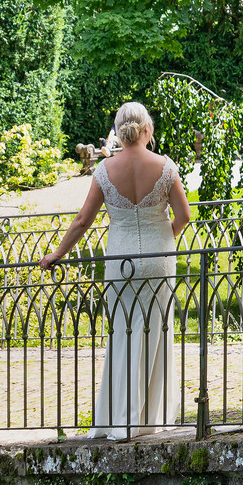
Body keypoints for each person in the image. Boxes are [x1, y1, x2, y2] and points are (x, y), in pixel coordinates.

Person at [39, 102, 190, 438]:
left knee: (123, 334)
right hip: (158, 260)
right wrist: (164, 237)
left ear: (120, 132)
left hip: (120, 263)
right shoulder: (166, 167)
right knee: (157, 332)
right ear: (147, 130)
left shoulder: (104, 171)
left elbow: (83, 221)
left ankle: (119, 417)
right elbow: (184, 217)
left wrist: (56, 255)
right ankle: (152, 417)